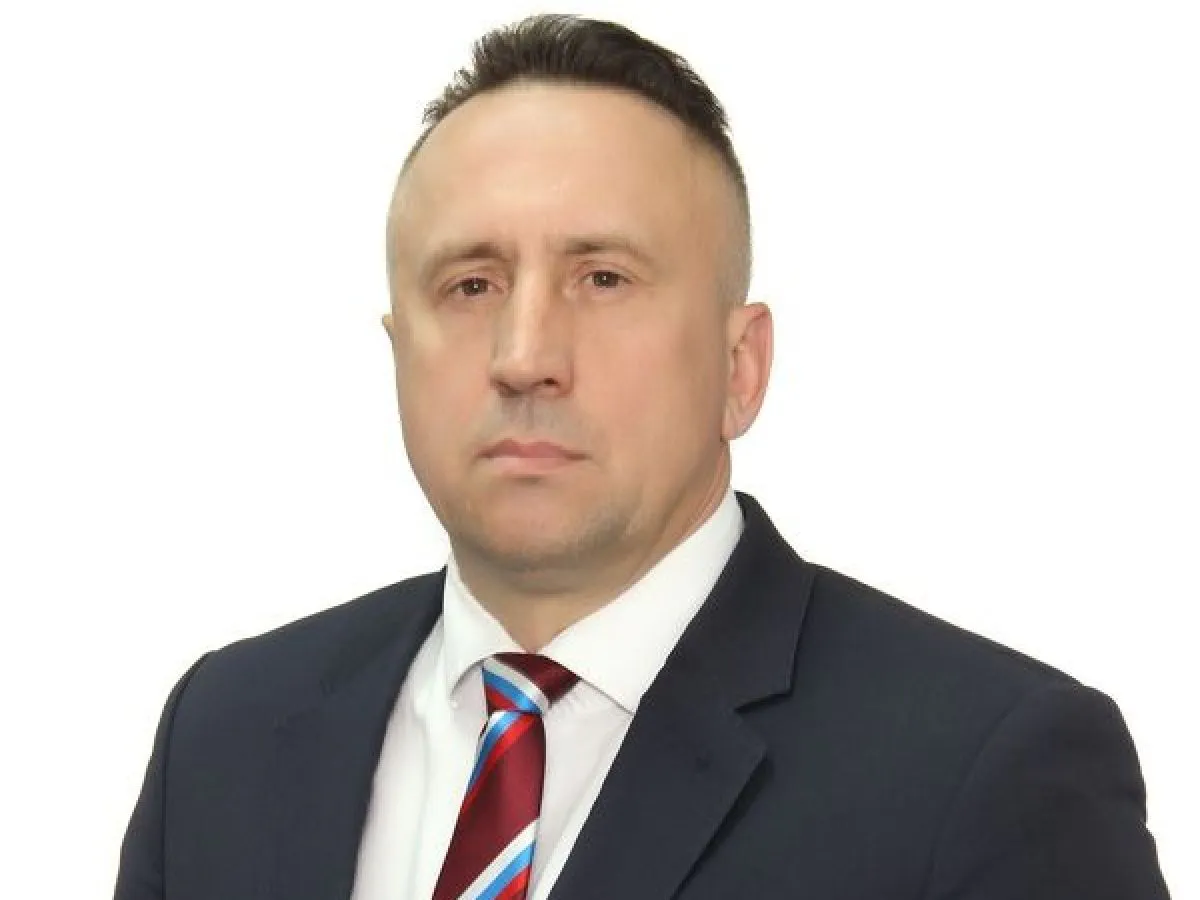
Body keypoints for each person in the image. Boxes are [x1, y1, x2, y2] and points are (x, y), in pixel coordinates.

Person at [113, 13, 1171, 900]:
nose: (525, 356)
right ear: (399, 350)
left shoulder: (986, 774)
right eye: (471, 285)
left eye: (604, 279)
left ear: (740, 366)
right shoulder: (225, 735)